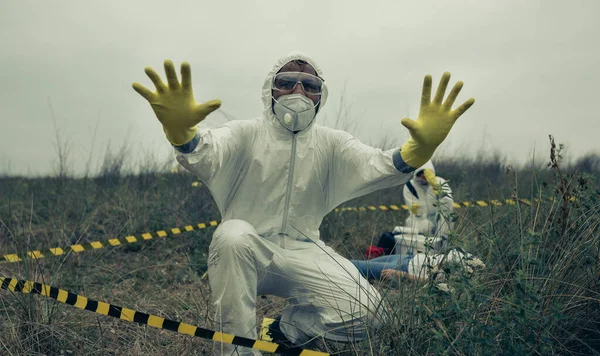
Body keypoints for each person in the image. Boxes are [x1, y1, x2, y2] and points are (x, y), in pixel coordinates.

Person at [132, 51, 475, 355]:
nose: (298, 92)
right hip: (248, 249)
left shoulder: (331, 143)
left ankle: (284, 329)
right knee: (231, 235)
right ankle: (238, 351)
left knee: (374, 316)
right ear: (270, 89)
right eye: (288, 82)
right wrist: (184, 137)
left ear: (321, 95)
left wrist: (419, 151)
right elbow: (205, 154)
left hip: (305, 248)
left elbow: (379, 165)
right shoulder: (245, 133)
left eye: (310, 85)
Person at [398, 160, 455, 239]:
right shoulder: (410, 186)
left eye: (425, 174)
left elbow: (448, 204)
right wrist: (416, 211)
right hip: (421, 219)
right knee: (416, 226)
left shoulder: (440, 182)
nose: (423, 178)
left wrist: (436, 186)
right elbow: (415, 211)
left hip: (438, 218)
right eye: (420, 175)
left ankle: (442, 247)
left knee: (444, 223)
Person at [351, 248, 485, 281]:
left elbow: (428, 282)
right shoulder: (468, 257)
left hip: (402, 268)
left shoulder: (460, 278)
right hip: (408, 258)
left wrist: (400, 274)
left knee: (352, 266)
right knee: (362, 266)